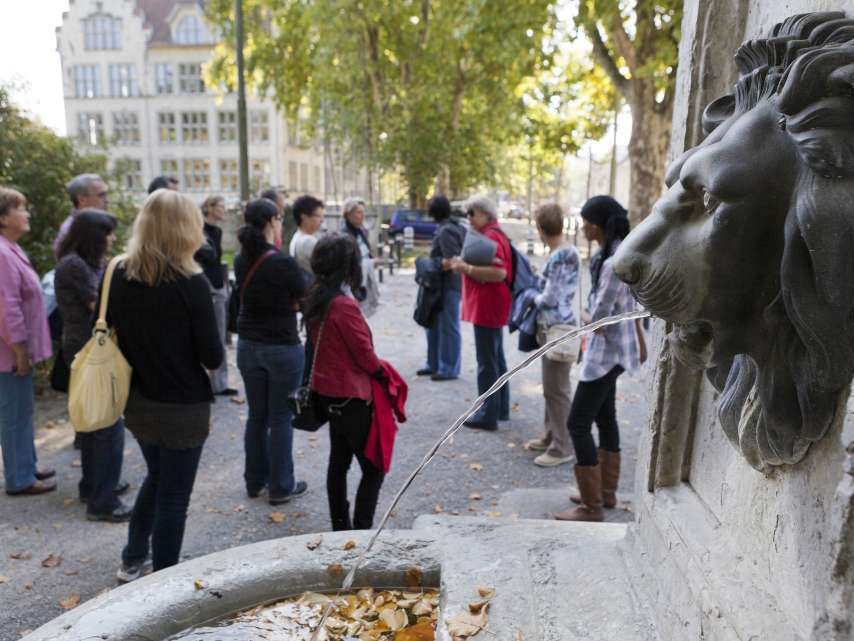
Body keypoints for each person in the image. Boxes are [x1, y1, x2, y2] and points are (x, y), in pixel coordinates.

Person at [107, 189, 223, 581]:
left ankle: (132, 558)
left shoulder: (119, 273)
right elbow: (213, 356)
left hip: (137, 399)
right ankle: (164, 584)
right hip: (183, 406)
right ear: (187, 228)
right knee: (173, 494)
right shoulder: (191, 283)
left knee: (157, 478)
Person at [554, 195, 646, 522]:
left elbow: (602, 315)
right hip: (618, 352)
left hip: (605, 355)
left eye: (585, 222)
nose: (582, 228)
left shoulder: (612, 262)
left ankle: (591, 507)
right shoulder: (620, 252)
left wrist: (586, 314)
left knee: (577, 423)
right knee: (605, 418)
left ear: (596, 224)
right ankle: (605, 494)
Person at [303, 233, 386, 531]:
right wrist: (380, 372)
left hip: (327, 393)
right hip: (350, 396)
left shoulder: (315, 296)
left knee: (339, 462)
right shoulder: (343, 305)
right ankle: (361, 530)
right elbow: (364, 353)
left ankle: (340, 527)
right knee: (373, 468)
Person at [55, 210, 131, 520]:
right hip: (89, 349)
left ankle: (94, 485)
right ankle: (102, 501)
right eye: (108, 233)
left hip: (86, 346)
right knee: (107, 424)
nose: (112, 239)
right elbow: (98, 304)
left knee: (95, 424)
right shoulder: (74, 265)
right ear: (93, 236)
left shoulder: (80, 263)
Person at [234, 198, 307, 505]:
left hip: (249, 345)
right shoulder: (282, 262)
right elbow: (303, 297)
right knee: (280, 417)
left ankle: (255, 480)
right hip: (281, 346)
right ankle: (280, 486)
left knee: (256, 416)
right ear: (272, 222)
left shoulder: (241, 259)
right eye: (279, 218)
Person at [0, 187, 55, 496]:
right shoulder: (2, 253)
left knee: (22, 410)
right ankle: (19, 478)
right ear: (4, 217)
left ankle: (26, 465)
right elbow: (7, 307)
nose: (27, 214)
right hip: (9, 353)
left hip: (16, 350)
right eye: (20, 208)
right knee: (14, 415)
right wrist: (20, 348)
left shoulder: (10, 248)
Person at [449, 195, 513, 431]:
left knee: (487, 361)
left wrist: (466, 268)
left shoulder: (491, 236)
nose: (469, 218)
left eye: (472, 213)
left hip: (488, 306)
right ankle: (500, 408)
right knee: (496, 358)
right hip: (492, 305)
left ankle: (488, 414)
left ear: (485, 213)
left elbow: (499, 273)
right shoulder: (496, 234)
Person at [525, 203, 580, 467]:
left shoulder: (560, 255)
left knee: (556, 390)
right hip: (558, 327)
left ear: (541, 229)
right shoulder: (565, 251)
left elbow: (551, 297)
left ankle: (562, 446)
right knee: (552, 388)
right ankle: (551, 436)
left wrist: (531, 297)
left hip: (556, 328)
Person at [417, 195, 465, 381]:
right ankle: (434, 363)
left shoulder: (447, 231)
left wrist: (428, 263)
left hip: (447, 286)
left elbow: (452, 261)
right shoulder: (449, 227)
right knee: (434, 325)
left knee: (448, 327)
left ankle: (449, 368)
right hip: (440, 286)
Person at [195, 195, 237, 396]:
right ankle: (215, 383)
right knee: (213, 334)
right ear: (209, 208)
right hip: (207, 286)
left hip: (217, 286)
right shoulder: (198, 230)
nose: (224, 210)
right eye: (221, 206)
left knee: (219, 334)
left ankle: (219, 383)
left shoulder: (217, 231)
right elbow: (207, 256)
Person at [342, 197, 380, 317]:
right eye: (359, 212)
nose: (362, 215)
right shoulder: (345, 235)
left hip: (361, 280)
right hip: (352, 283)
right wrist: (369, 263)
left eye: (363, 212)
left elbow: (366, 250)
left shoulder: (359, 231)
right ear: (348, 215)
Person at [54, 173, 109, 256]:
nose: (107, 200)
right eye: (101, 195)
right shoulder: (71, 230)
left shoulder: (90, 225)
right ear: (82, 199)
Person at [288, 194, 325, 277]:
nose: (322, 220)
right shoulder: (308, 241)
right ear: (304, 217)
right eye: (318, 216)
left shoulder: (297, 236)